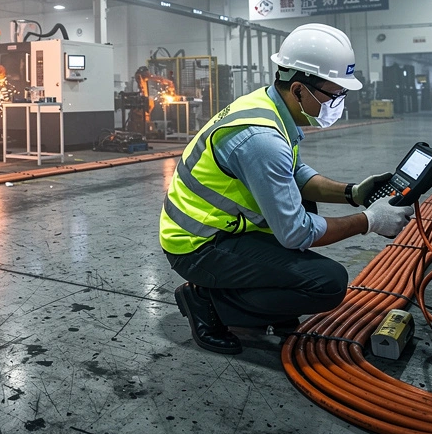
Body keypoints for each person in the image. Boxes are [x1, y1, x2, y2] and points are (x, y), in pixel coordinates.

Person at [159, 23, 415, 354]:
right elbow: (295, 233)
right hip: (197, 244)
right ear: (298, 89)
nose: (339, 102)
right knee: (327, 284)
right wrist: (369, 221)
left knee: (305, 207)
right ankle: (207, 301)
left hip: (221, 228)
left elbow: (294, 174)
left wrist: (353, 193)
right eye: (334, 94)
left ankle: (260, 298)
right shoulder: (261, 139)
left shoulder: (270, 105)